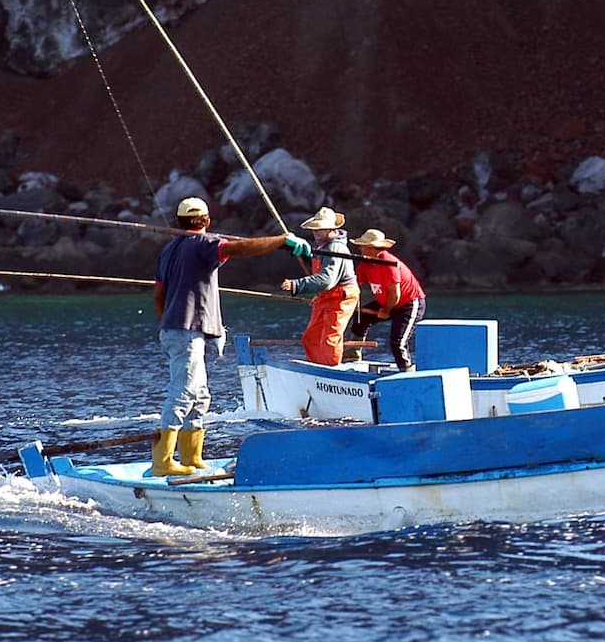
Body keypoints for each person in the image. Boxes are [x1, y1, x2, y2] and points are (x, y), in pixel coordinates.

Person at [154, 196, 310, 476]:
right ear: (207, 221)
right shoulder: (204, 245)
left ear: (178, 221)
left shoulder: (169, 249)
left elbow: (158, 294)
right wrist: (281, 241)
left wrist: (167, 323)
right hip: (187, 332)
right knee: (183, 393)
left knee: (200, 396)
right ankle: (163, 461)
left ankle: (191, 457)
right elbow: (240, 248)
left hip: (176, 330)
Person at [279, 206, 360, 366]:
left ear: (331, 229)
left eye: (320, 230)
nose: (316, 233)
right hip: (326, 296)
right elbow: (319, 273)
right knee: (311, 337)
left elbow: (327, 279)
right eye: (315, 229)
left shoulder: (336, 248)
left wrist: (297, 285)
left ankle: (331, 371)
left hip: (341, 297)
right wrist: (304, 254)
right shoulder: (321, 246)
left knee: (331, 338)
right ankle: (316, 367)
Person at [345, 228, 427, 371]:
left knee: (398, 342)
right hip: (387, 302)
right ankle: (353, 355)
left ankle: (407, 370)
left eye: (363, 246)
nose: (360, 249)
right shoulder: (365, 264)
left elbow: (395, 294)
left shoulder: (389, 265)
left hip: (409, 303)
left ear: (373, 248)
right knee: (360, 318)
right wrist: (351, 302)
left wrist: (386, 310)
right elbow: (356, 286)